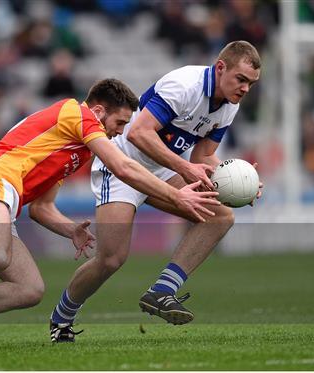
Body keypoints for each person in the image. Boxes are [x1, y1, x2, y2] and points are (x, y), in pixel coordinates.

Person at [0, 79, 220, 345]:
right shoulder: (75, 114)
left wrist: (69, 230)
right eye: (118, 124)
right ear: (97, 111)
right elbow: (123, 168)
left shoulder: (75, 147)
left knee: (29, 289)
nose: (118, 133)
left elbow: (42, 209)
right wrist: (179, 198)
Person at [49, 41, 263, 342]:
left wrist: (244, 179)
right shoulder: (184, 85)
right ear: (220, 68)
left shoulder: (229, 105)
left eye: (251, 84)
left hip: (162, 171)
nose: (244, 89)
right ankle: (61, 318)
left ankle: (162, 291)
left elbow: (203, 157)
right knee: (111, 258)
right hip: (121, 165)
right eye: (241, 80)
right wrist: (185, 169)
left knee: (220, 216)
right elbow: (138, 134)